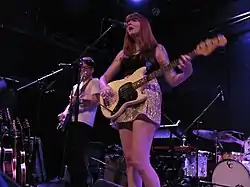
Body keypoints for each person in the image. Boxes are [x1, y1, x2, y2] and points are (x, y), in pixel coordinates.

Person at [100, 12, 193, 187]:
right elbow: (103, 78)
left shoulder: (157, 49)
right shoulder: (124, 54)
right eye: (127, 21)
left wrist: (187, 73)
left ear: (144, 25)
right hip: (124, 103)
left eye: (134, 20)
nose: (129, 23)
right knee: (129, 161)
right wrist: (104, 88)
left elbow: (172, 79)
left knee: (139, 161)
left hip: (147, 97)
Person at [58, 57, 100, 187]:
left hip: (84, 121)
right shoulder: (76, 86)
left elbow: (95, 101)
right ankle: (71, 181)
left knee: (78, 153)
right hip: (72, 120)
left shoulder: (95, 82)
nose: (83, 71)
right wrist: (64, 113)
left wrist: (80, 100)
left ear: (92, 70)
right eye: (82, 68)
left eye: (86, 68)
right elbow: (71, 104)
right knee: (70, 153)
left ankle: (81, 182)